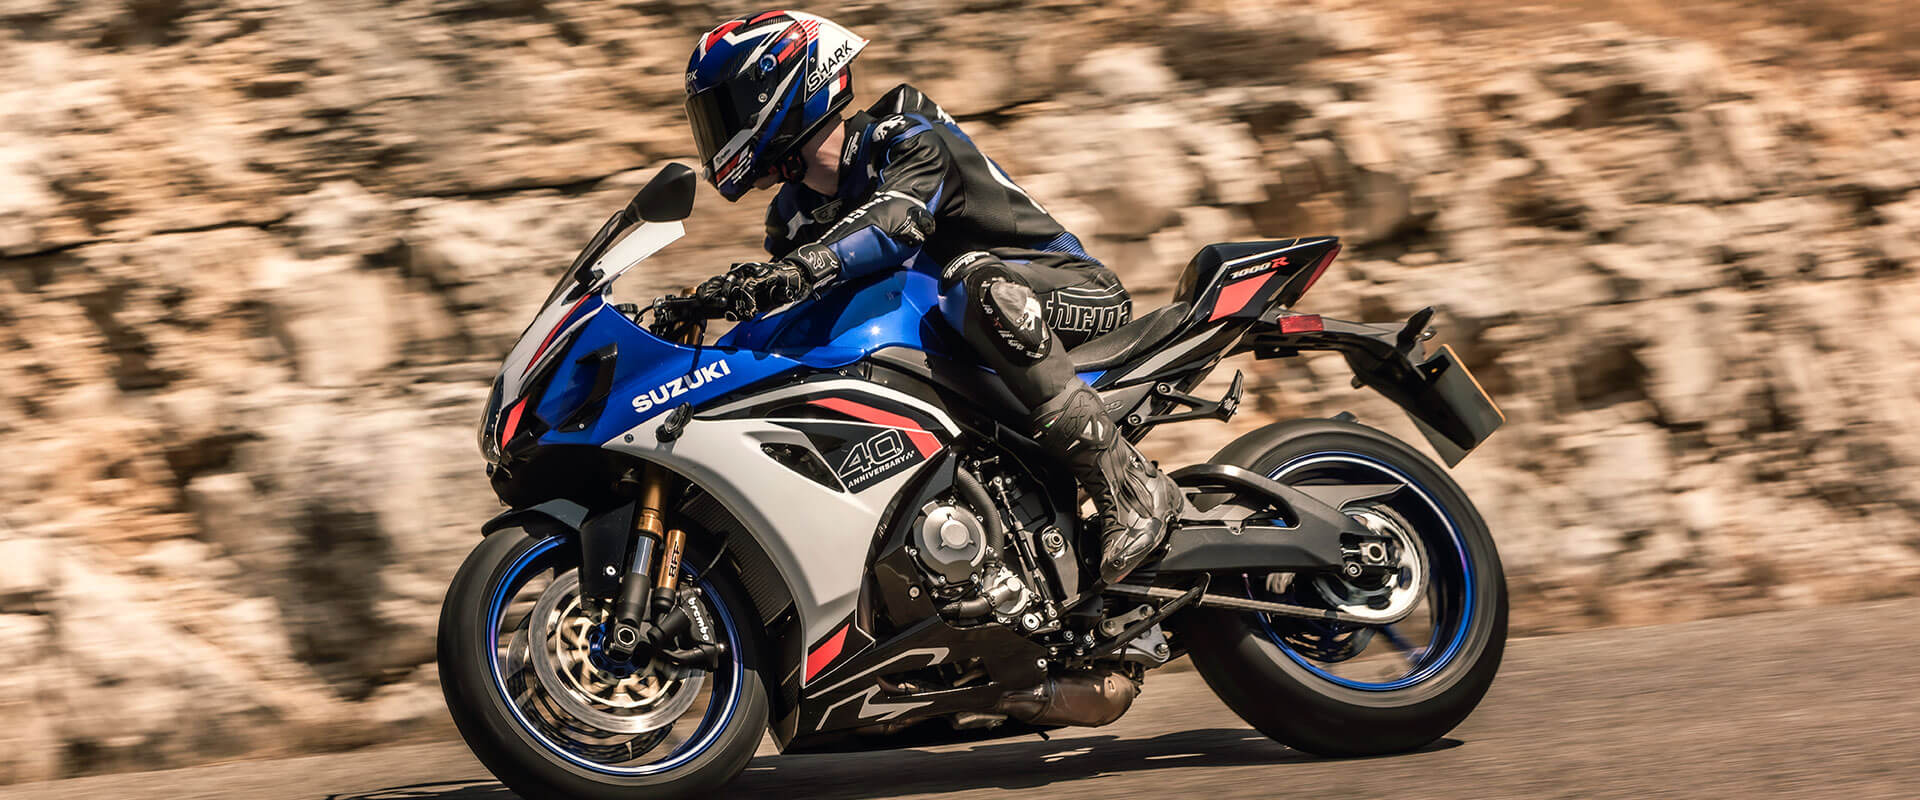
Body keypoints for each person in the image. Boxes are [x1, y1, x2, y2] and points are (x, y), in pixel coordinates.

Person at [680, 10, 1178, 583]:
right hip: (961, 339)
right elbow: (793, 310)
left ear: (775, 89)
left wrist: (801, 268)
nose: (715, 134)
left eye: (722, 112)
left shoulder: (906, 136)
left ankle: (1129, 485)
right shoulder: (791, 217)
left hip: (1065, 292)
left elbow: (898, 220)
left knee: (969, 283)